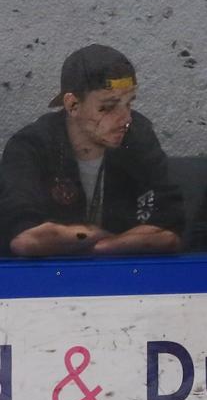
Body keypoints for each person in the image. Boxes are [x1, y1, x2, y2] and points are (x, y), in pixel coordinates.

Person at [0, 45, 185, 257]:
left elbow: (170, 230)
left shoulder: (138, 137)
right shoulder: (31, 146)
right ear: (73, 105)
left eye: (129, 103)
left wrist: (102, 245)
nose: (126, 118)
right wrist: (114, 239)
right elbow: (25, 239)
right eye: (108, 107)